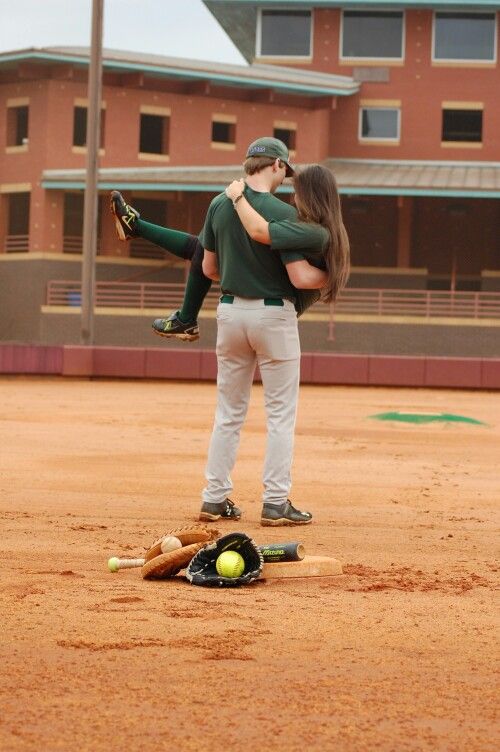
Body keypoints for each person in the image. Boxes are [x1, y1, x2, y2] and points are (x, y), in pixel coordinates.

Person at [197, 138, 349, 526]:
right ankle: (275, 502)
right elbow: (299, 275)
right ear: (278, 166)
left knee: (228, 412)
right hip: (272, 315)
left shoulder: (218, 203)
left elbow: (208, 271)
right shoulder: (286, 214)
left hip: (229, 312)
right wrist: (331, 278)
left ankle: (214, 499)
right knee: (280, 414)